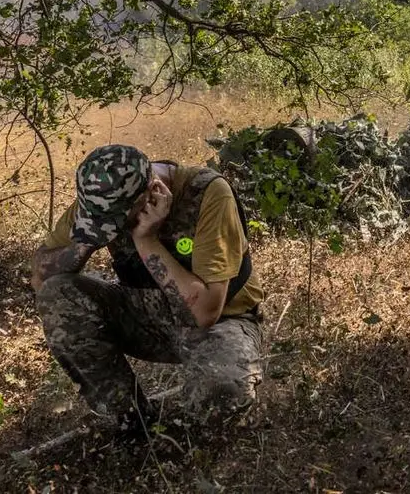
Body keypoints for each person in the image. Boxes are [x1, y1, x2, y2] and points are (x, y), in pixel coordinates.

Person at [29, 144, 265, 435]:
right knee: (57, 293)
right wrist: (88, 239)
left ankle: (193, 439)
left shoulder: (208, 193)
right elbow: (40, 280)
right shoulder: (101, 197)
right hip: (149, 313)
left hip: (223, 322)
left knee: (222, 393)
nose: (113, 230)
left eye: (118, 222)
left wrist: (146, 240)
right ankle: (131, 421)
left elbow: (205, 313)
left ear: (152, 193)